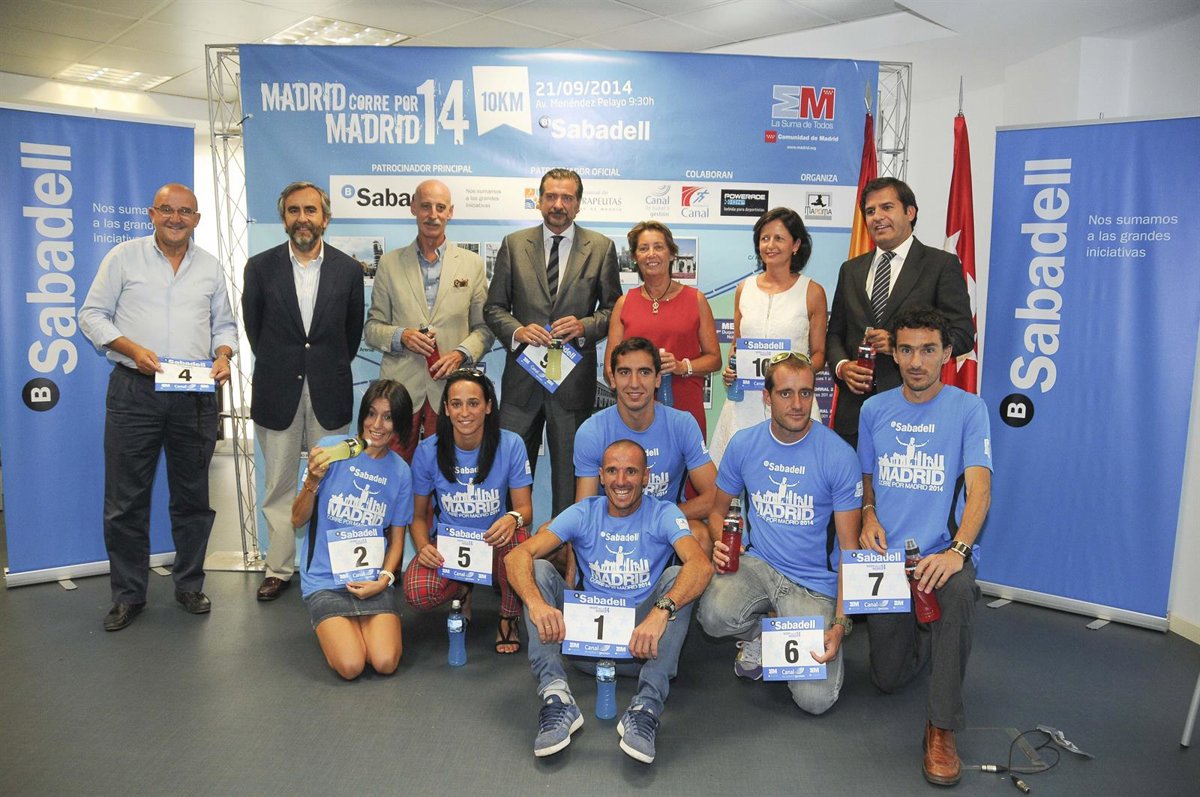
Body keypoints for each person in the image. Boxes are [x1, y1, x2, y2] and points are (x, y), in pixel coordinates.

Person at [79, 183, 237, 631]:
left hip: (194, 395)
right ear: (152, 214)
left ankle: (189, 584)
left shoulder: (210, 267)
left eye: (185, 212)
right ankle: (128, 595)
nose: (175, 218)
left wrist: (223, 355)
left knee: (193, 498)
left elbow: (224, 325)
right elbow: (91, 315)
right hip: (135, 390)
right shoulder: (123, 257)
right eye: (167, 209)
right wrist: (131, 348)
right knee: (125, 500)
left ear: (197, 219)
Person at [505, 440, 712, 764]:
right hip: (585, 647)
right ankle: (556, 698)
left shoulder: (664, 513)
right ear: (601, 476)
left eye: (631, 471)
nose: (621, 480)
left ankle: (646, 707)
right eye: (613, 471)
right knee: (538, 569)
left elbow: (701, 565)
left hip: (641, 647)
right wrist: (536, 603)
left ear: (646, 476)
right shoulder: (584, 512)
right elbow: (517, 555)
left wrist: (662, 610)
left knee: (678, 576)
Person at [857, 307, 992, 786]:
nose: (917, 361)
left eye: (928, 350)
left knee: (958, 593)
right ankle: (926, 633)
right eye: (907, 350)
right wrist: (869, 513)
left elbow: (980, 490)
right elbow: (867, 478)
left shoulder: (969, 409)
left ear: (947, 353)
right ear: (894, 354)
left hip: (940, 554)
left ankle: (941, 728)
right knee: (888, 679)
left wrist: (957, 551)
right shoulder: (874, 410)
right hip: (888, 562)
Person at [697, 353, 861, 715]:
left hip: (814, 584)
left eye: (806, 393)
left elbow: (850, 551)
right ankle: (762, 632)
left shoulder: (839, 455)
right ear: (767, 397)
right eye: (786, 393)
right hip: (760, 565)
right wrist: (721, 542)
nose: (798, 404)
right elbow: (716, 512)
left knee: (815, 701)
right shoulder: (744, 444)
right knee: (713, 615)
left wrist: (839, 624)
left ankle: (785, 631)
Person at [242, 181, 366, 602]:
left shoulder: (349, 271)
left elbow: (350, 336)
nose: (302, 218)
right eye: (293, 210)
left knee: (332, 484)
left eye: (310, 210)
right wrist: (287, 364)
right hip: (277, 391)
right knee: (279, 484)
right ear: (284, 219)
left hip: (330, 391)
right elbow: (255, 332)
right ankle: (278, 569)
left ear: (325, 219)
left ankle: (328, 566)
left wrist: (320, 367)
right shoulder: (259, 268)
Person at [484, 168, 621, 521]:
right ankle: (509, 549)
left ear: (578, 204)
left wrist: (584, 326)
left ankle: (565, 551)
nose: (558, 204)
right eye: (551, 197)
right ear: (539, 200)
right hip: (521, 384)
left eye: (567, 198)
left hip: (572, 386)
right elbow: (493, 308)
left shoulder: (601, 247)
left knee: (571, 483)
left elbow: (614, 310)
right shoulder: (514, 244)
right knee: (508, 477)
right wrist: (517, 331)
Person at [826, 177, 974, 448]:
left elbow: (962, 335)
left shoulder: (940, 265)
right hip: (854, 417)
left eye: (886, 207)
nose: (877, 217)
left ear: (910, 212)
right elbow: (835, 334)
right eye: (870, 211)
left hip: (915, 414)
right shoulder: (850, 270)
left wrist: (898, 344)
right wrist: (842, 367)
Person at [403, 369, 534, 654]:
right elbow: (417, 515)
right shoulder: (428, 450)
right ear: (446, 409)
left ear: (488, 406)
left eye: (473, 403)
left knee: (520, 540)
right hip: (451, 545)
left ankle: (508, 618)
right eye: (456, 404)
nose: (465, 412)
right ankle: (462, 588)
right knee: (417, 592)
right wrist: (423, 546)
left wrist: (512, 518)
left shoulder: (511, 444)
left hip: (494, 543)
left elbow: (525, 510)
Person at [291, 380, 414, 680]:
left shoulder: (401, 471)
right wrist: (313, 481)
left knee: (385, 661)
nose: (377, 425)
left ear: (399, 423)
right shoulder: (332, 450)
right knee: (351, 666)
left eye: (388, 417)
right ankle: (335, 627)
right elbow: (297, 520)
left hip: (371, 582)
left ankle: (353, 627)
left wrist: (383, 581)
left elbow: (397, 540)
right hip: (325, 581)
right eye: (371, 413)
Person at [365, 179, 493, 462]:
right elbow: (372, 329)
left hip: (449, 391)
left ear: (450, 212)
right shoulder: (389, 264)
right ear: (413, 208)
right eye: (425, 206)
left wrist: (461, 354)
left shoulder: (472, 264)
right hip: (399, 389)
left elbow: (484, 329)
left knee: (444, 470)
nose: (432, 215)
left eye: (440, 208)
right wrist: (401, 336)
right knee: (390, 469)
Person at [575, 337, 717, 555]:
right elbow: (584, 509)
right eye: (624, 372)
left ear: (658, 379)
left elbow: (714, 497)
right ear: (612, 379)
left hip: (662, 529)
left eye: (644, 372)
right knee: (552, 539)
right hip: (610, 528)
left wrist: (660, 518)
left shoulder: (682, 423)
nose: (634, 383)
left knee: (700, 536)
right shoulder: (591, 430)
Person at [709, 207, 828, 465]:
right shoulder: (744, 289)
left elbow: (819, 354)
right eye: (764, 238)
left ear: (795, 245)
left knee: (794, 470)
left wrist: (796, 375)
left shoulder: (812, 291)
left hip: (793, 403)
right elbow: (737, 345)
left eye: (779, 238)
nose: (770, 245)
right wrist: (732, 370)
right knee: (738, 475)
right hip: (745, 405)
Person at [606, 221, 720, 436]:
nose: (651, 254)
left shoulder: (696, 299)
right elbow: (609, 369)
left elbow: (714, 359)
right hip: (636, 413)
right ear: (635, 257)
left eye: (658, 247)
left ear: (672, 254)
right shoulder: (624, 303)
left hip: (685, 408)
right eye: (643, 248)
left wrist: (682, 366)